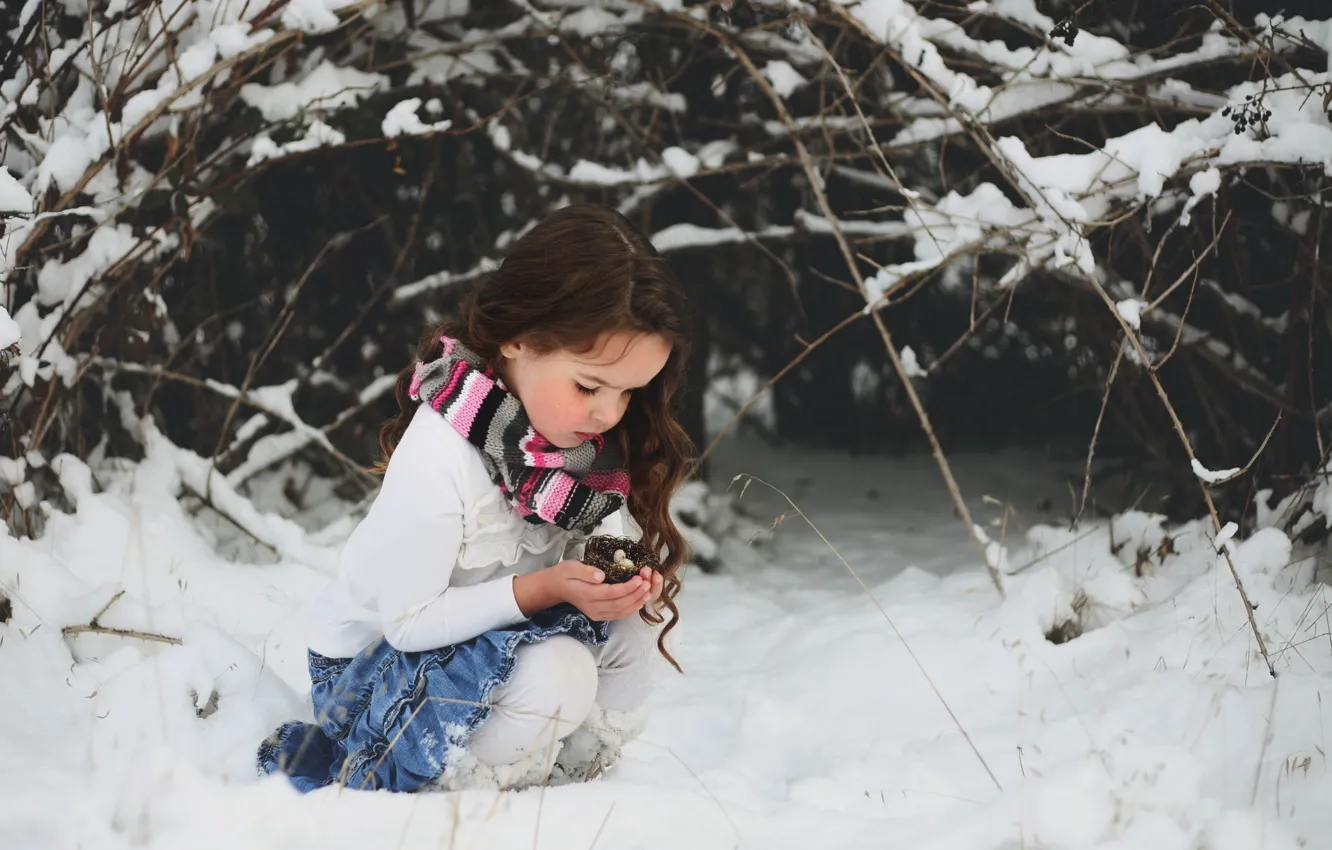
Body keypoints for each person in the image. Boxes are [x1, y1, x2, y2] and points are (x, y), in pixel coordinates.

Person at [257, 203, 695, 793]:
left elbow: (605, 548)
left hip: (490, 639)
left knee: (640, 622)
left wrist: (621, 585)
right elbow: (408, 623)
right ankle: (464, 779)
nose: (608, 413)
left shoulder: (578, 447)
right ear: (517, 339)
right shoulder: (441, 450)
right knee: (559, 672)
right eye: (589, 385)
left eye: (628, 393)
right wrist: (543, 588)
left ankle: (577, 766)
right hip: (373, 675)